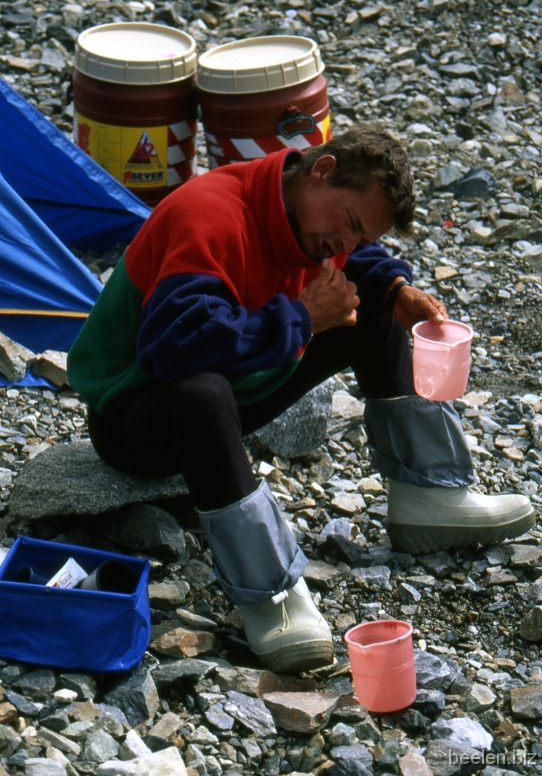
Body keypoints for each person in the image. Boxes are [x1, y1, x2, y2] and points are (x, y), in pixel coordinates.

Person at [67, 126, 534, 674]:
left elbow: (354, 258)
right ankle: (268, 595)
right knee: (202, 392)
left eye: (362, 237)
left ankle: (429, 495)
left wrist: (393, 288)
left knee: (375, 313)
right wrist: (302, 318)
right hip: (135, 415)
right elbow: (173, 348)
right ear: (322, 170)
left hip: (231, 387)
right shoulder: (210, 214)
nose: (347, 245)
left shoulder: (299, 206)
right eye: (351, 225)